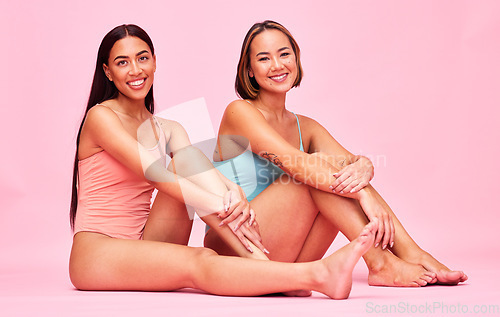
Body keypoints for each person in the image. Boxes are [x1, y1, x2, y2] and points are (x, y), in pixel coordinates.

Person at [68, 23, 378, 299]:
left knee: (188, 160)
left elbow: (198, 167)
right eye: (123, 62)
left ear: (154, 62)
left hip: (149, 238)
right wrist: (219, 205)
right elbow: (154, 173)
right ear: (108, 71)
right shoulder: (101, 117)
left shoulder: (169, 127)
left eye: (143, 58)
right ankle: (302, 274)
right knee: (199, 260)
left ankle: (267, 270)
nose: (135, 70)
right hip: (100, 249)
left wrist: (233, 193)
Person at [204, 20, 467, 287]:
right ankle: (380, 263)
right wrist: (361, 194)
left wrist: (364, 166)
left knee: (337, 172)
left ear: (296, 58)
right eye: (264, 58)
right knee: (315, 172)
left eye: (284, 54)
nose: (277, 65)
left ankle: (414, 253)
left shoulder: (305, 126)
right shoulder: (239, 112)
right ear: (249, 70)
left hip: (286, 255)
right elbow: (297, 165)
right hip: (234, 245)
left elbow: (351, 164)